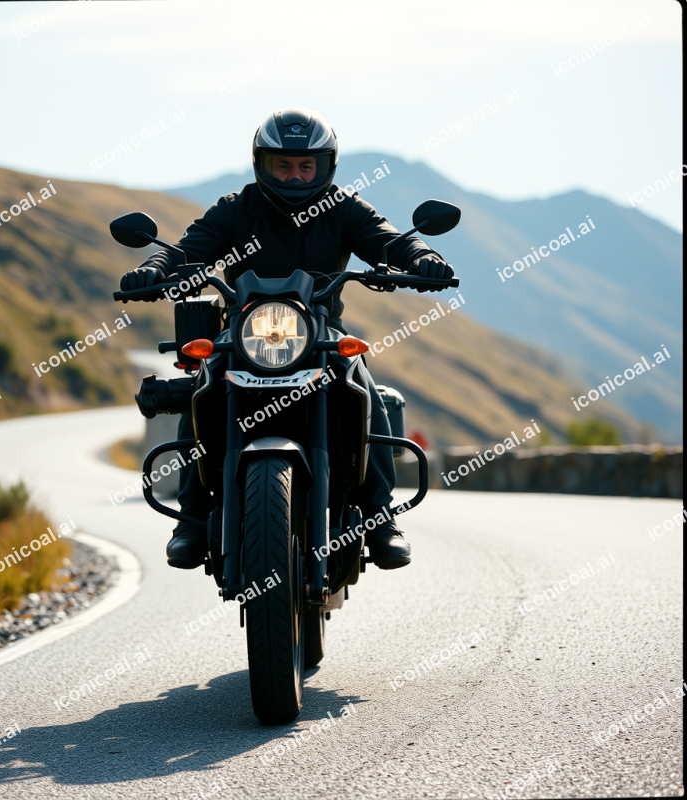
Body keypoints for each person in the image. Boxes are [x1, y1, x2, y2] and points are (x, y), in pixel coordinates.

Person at [120, 107, 454, 571]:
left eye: (306, 166)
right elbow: (189, 250)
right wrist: (154, 270)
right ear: (262, 164)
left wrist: (422, 256)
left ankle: (379, 519)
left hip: (319, 332)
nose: (295, 176)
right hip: (243, 333)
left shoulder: (343, 207)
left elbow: (389, 240)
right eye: (283, 165)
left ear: (325, 166)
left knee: (362, 382)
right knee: (206, 386)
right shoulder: (236, 209)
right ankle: (193, 520)